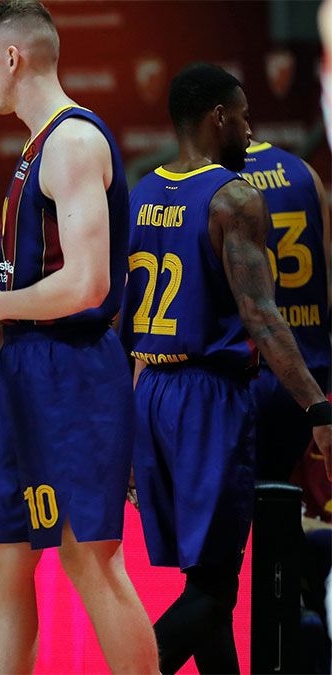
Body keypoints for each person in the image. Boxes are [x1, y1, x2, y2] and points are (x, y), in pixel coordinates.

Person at [0, 2, 158, 672]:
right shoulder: (39, 143)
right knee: (1, 551)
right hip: (31, 369)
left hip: (71, 369)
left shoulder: (73, 143)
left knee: (90, 558)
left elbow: (90, 285)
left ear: (13, 59)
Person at [122, 62, 332, 674]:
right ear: (219, 117)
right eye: (242, 115)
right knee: (215, 591)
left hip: (152, 392)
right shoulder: (235, 197)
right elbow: (263, 318)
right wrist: (317, 406)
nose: (249, 127)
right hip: (207, 398)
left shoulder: (142, 191)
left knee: (203, 582)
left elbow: (123, 319)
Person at [238, 141, 330, 482]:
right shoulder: (306, 173)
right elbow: (325, 277)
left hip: (247, 372)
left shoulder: (214, 176)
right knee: (285, 500)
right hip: (311, 372)